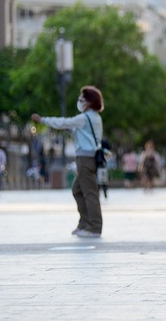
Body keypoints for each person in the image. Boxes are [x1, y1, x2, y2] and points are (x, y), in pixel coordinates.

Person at [31, 85, 105, 238]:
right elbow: (82, 133)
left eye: (82, 99)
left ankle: (94, 227)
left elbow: (64, 122)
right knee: (77, 190)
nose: (80, 101)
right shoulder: (95, 117)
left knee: (89, 193)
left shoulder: (84, 118)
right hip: (89, 158)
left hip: (85, 159)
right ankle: (84, 223)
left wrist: (42, 120)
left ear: (89, 102)